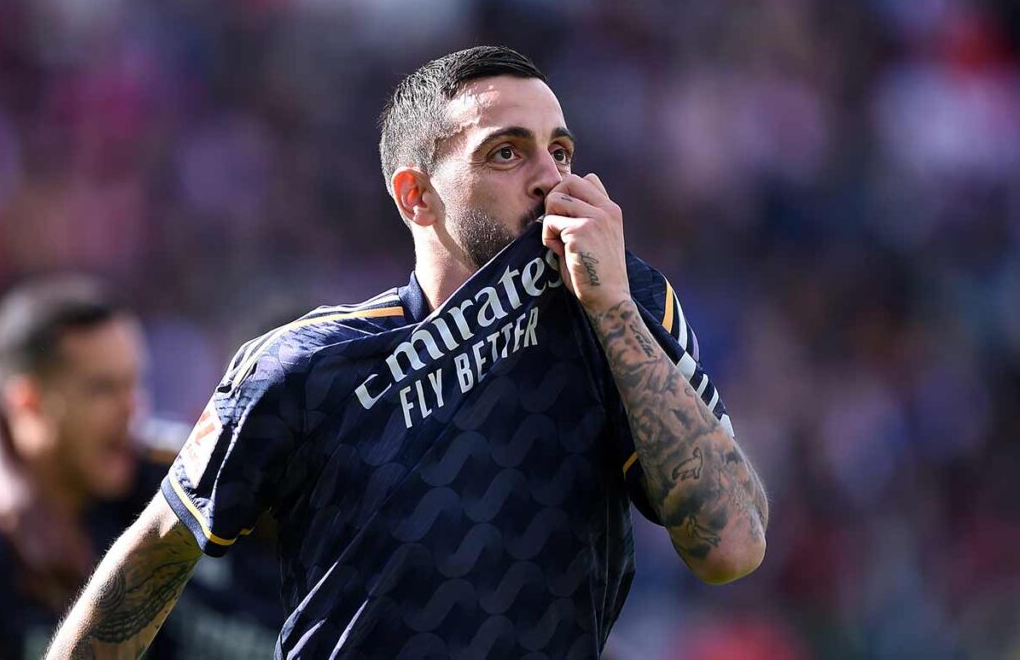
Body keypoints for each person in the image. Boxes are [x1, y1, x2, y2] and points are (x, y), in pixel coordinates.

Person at [48, 46, 769, 659]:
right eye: (507, 152)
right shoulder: (309, 365)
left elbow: (731, 548)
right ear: (416, 196)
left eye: (560, 151)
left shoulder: (622, 314)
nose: (551, 179)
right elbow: (156, 551)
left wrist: (612, 308)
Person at [0, 277, 284, 659]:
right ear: (29, 404)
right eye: (102, 389)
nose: (132, 409)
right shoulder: (11, 547)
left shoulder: (159, 491)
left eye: (134, 384)